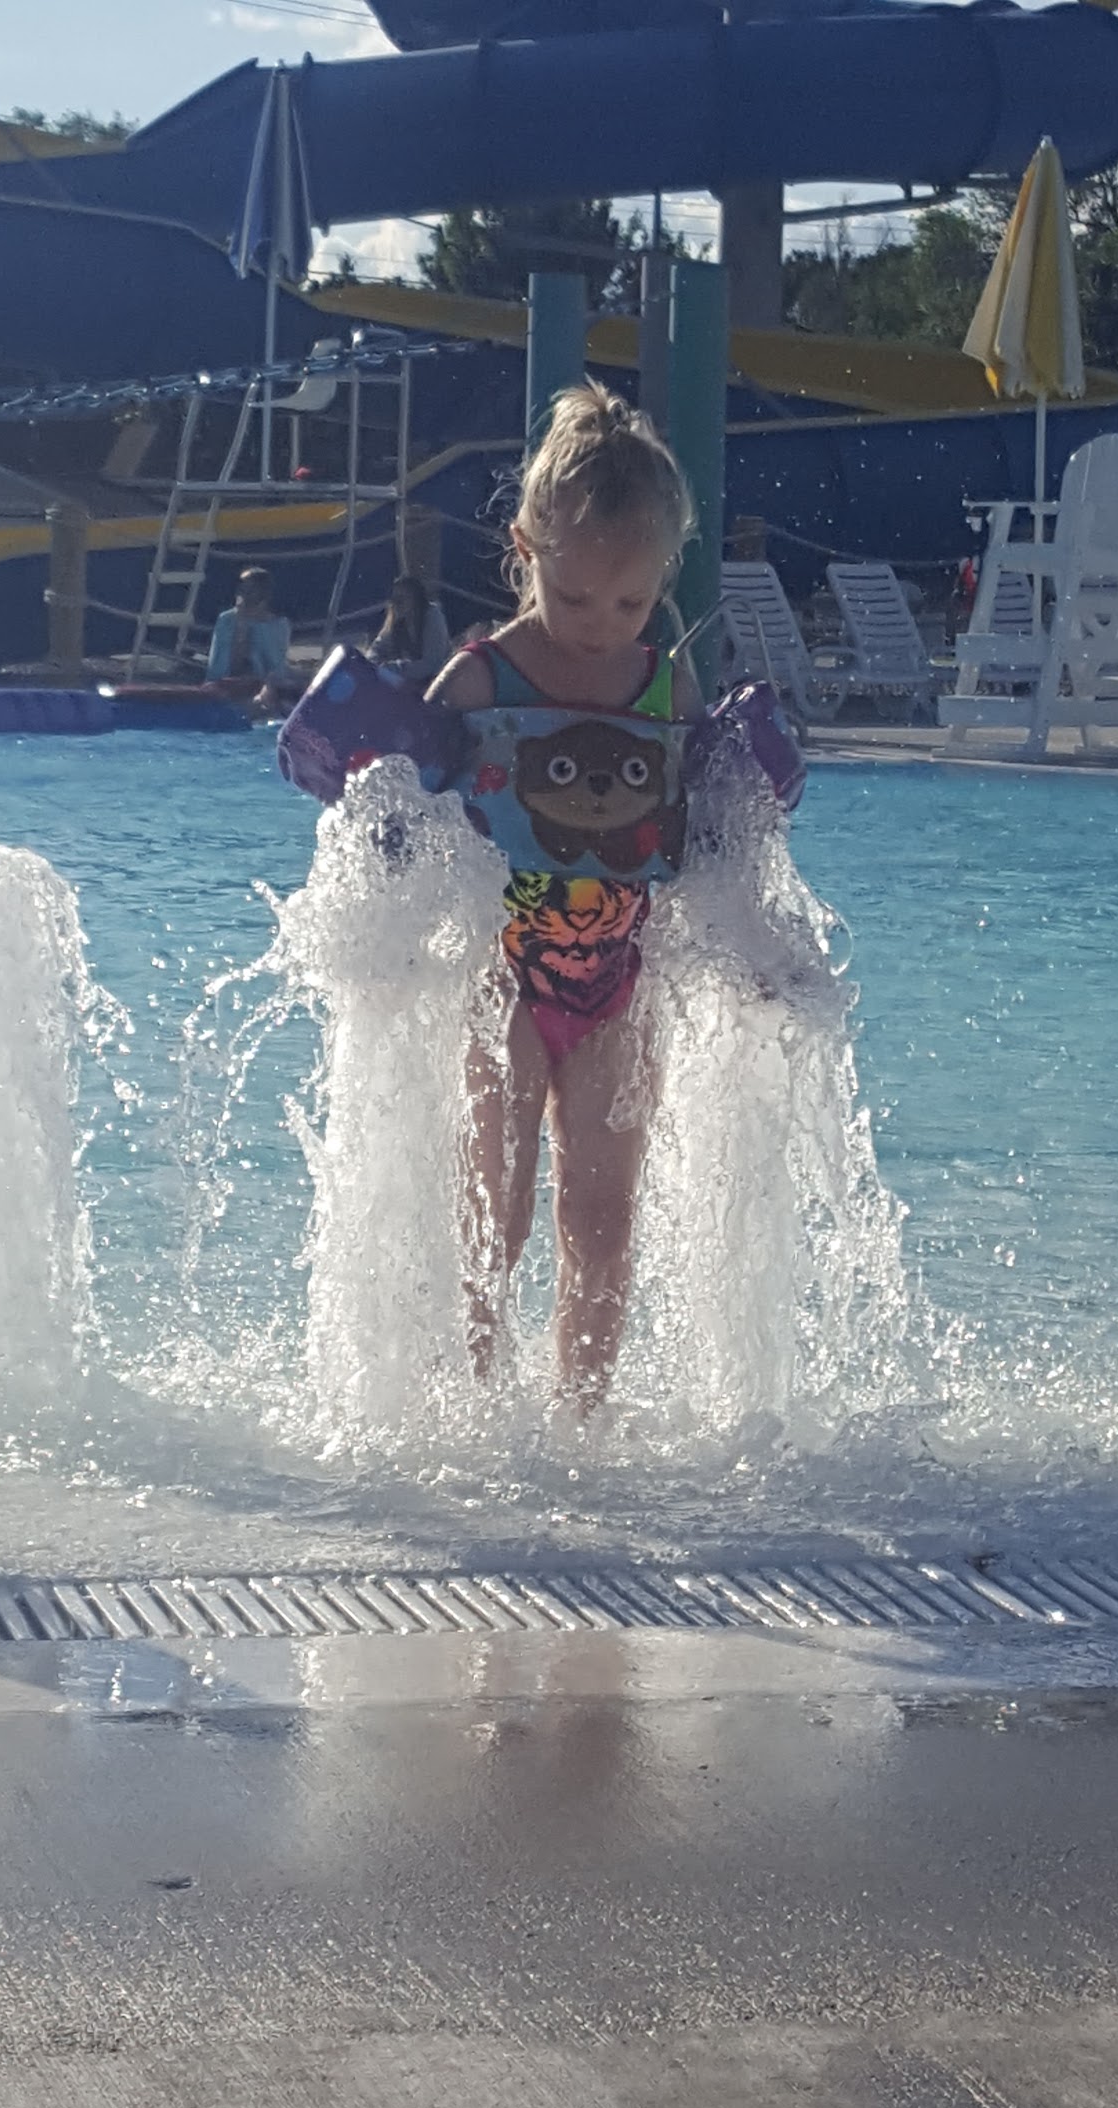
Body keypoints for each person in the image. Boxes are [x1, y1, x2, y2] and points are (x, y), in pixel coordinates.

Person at [428, 381, 703, 1411]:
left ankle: (582, 1415)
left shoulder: (666, 686)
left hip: (617, 987)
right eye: (575, 597)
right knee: (494, 1213)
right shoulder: (480, 679)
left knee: (603, 1219)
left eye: (630, 604)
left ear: (663, 577)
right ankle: (476, 1405)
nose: (600, 627)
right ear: (525, 549)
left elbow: (712, 830)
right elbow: (402, 804)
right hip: (501, 981)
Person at [206, 567, 291, 713]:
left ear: (264, 595)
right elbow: (219, 670)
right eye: (241, 589)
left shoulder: (278, 625)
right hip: (229, 686)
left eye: (250, 590)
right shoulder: (226, 620)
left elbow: (275, 668)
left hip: (263, 687)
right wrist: (241, 627)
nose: (243, 594)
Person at [368, 571, 451, 687]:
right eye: (393, 599)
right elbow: (377, 648)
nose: (396, 604)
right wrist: (371, 664)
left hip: (438, 684)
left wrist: (397, 668)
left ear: (416, 599)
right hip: (409, 686)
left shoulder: (433, 616)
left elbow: (433, 664)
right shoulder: (395, 620)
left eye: (401, 599)